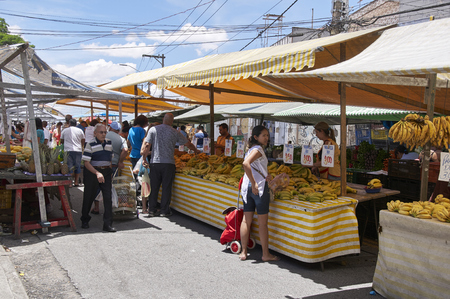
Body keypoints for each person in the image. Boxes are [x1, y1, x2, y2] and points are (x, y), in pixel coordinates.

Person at [140, 113, 199, 217]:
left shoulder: (153, 130)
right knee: (166, 187)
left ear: (163, 119)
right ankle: (164, 210)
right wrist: (196, 150)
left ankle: (151, 209)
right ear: (172, 121)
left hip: (155, 162)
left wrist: (144, 158)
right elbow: (187, 144)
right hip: (168, 163)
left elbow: (147, 145)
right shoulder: (174, 132)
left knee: (154, 187)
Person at [239, 125, 279, 262]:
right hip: (259, 189)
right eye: (264, 135)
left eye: (267, 135)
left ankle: (243, 252)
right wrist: (255, 182)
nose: (267, 138)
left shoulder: (250, 149)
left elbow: (254, 167)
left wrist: (264, 176)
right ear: (256, 137)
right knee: (263, 223)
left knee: (246, 220)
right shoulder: (258, 149)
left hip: (247, 188)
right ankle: (265, 254)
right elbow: (246, 164)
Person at [80, 123, 116, 232]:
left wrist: (108, 171)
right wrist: (97, 173)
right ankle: (85, 219)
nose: (104, 134)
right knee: (89, 196)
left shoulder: (109, 143)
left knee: (108, 198)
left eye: (105, 132)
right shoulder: (90, 144)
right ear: (95, 133)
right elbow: (86, 163)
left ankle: (108, 224)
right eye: (101, 132)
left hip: (105, 172)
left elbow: (110, 159)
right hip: (92, 172)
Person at [60, 119, 85, 187]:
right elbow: (83, 140)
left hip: (68, 150)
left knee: (69, 166)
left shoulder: (65, 131)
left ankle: (70, 183)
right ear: (76, 124)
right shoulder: (80, 130)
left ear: (69, 124)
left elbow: (61, 140)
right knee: (77, 166)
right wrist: (81, 146)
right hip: (78, 150)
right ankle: (76, 182)